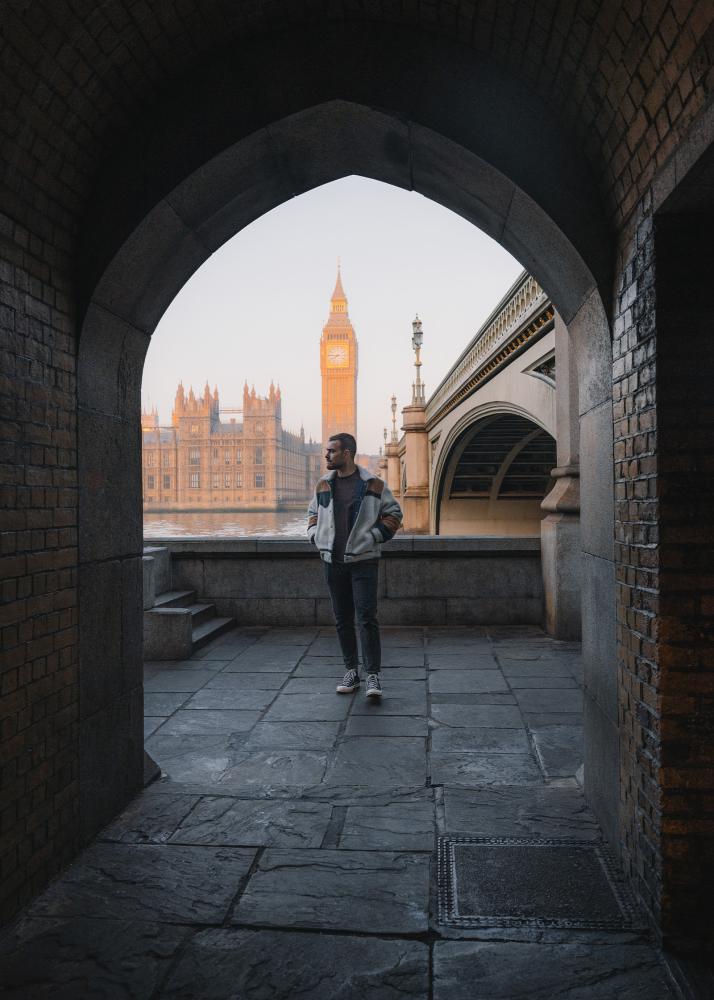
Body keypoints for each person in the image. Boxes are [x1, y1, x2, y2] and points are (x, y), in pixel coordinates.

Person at [307, 433, 403, 698]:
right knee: (342, 620)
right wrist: (315, 535)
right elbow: (312, 513)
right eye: (327, 451)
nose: (326, 455)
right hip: (332, 561)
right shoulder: (323, 484)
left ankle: (373, 675)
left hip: (363, 562)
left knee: (367, 618)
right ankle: (351, 670)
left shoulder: (373, 484)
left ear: (346, 453)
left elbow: (394, 514)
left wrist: (373, 537)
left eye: (331, 451)